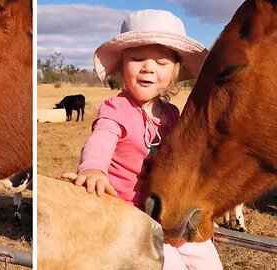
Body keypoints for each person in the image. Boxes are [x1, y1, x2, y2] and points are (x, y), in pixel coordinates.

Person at [69, 9, 223, 270]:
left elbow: (188, 159)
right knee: (169, 263)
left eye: (161, 63)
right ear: (120, 65)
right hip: (128, 212)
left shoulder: (174, 114)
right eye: (137, 59)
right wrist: (93, 168)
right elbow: (102, 137)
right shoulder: (116, 109)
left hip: (168, 208)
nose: (148, 68)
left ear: (174, 71)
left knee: (207, 258)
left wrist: (199, 206)